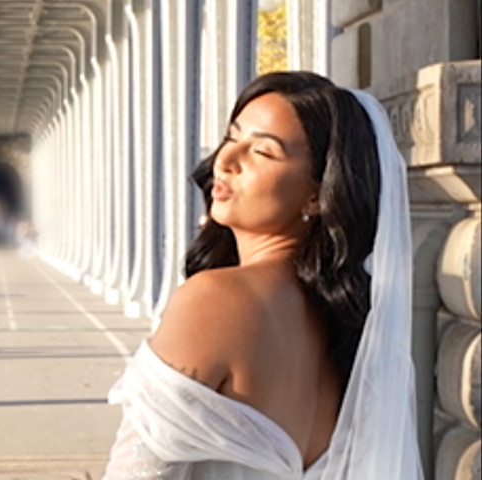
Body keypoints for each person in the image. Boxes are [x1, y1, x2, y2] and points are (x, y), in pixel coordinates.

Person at [103, 72, 423, 479]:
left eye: (263, 152)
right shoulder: (350, 331)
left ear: (317, 193)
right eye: (232, 136)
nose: (226, 160)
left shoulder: (214, 300)